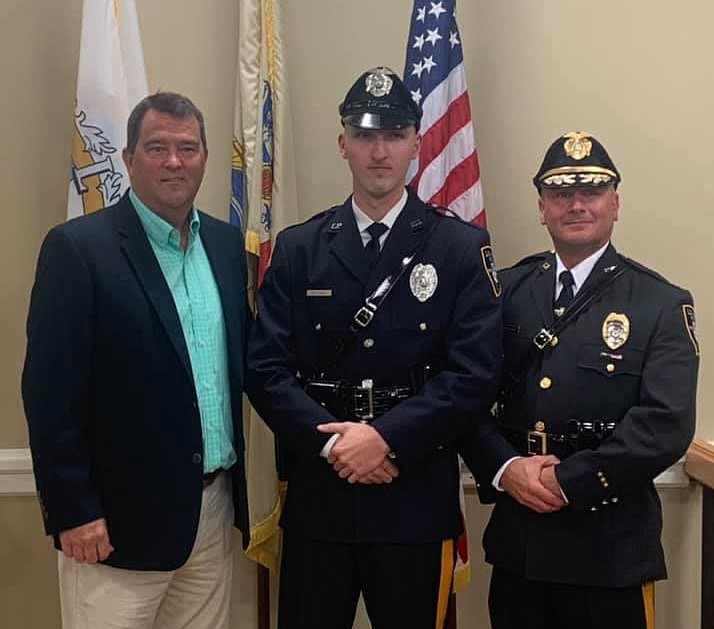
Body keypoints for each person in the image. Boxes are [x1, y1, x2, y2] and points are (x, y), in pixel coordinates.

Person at [247, 66, 502, 629]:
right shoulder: (300, 247)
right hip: (321, 497)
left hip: (412, 494)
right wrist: (339, 449)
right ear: (344, 144)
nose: (379, 151)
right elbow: (266, 369)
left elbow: (474, 372)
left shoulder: (459, 247)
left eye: (393, 134)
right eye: (365, 135)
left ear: (417, 142)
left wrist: (385, 439)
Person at [22, 92, 250, 629]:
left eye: (188, 148)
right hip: (113, 528)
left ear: (205, 157)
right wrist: (74, 510)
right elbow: (50, 393)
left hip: (210, 514)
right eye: (157, 148)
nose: (175, 161)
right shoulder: (77, 249)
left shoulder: (224, 244)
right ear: (127, 158)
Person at [461, 131, 699, 629]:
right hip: (519, 542)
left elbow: (665, 424)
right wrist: (506, 469)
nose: (576, 204)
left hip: (607, 545)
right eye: (560, 193)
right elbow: (465, 395)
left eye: (590, 191)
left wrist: (566, 482)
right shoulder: (504, 292)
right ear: (542, 208)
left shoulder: (660, 302)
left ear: (615, 203)